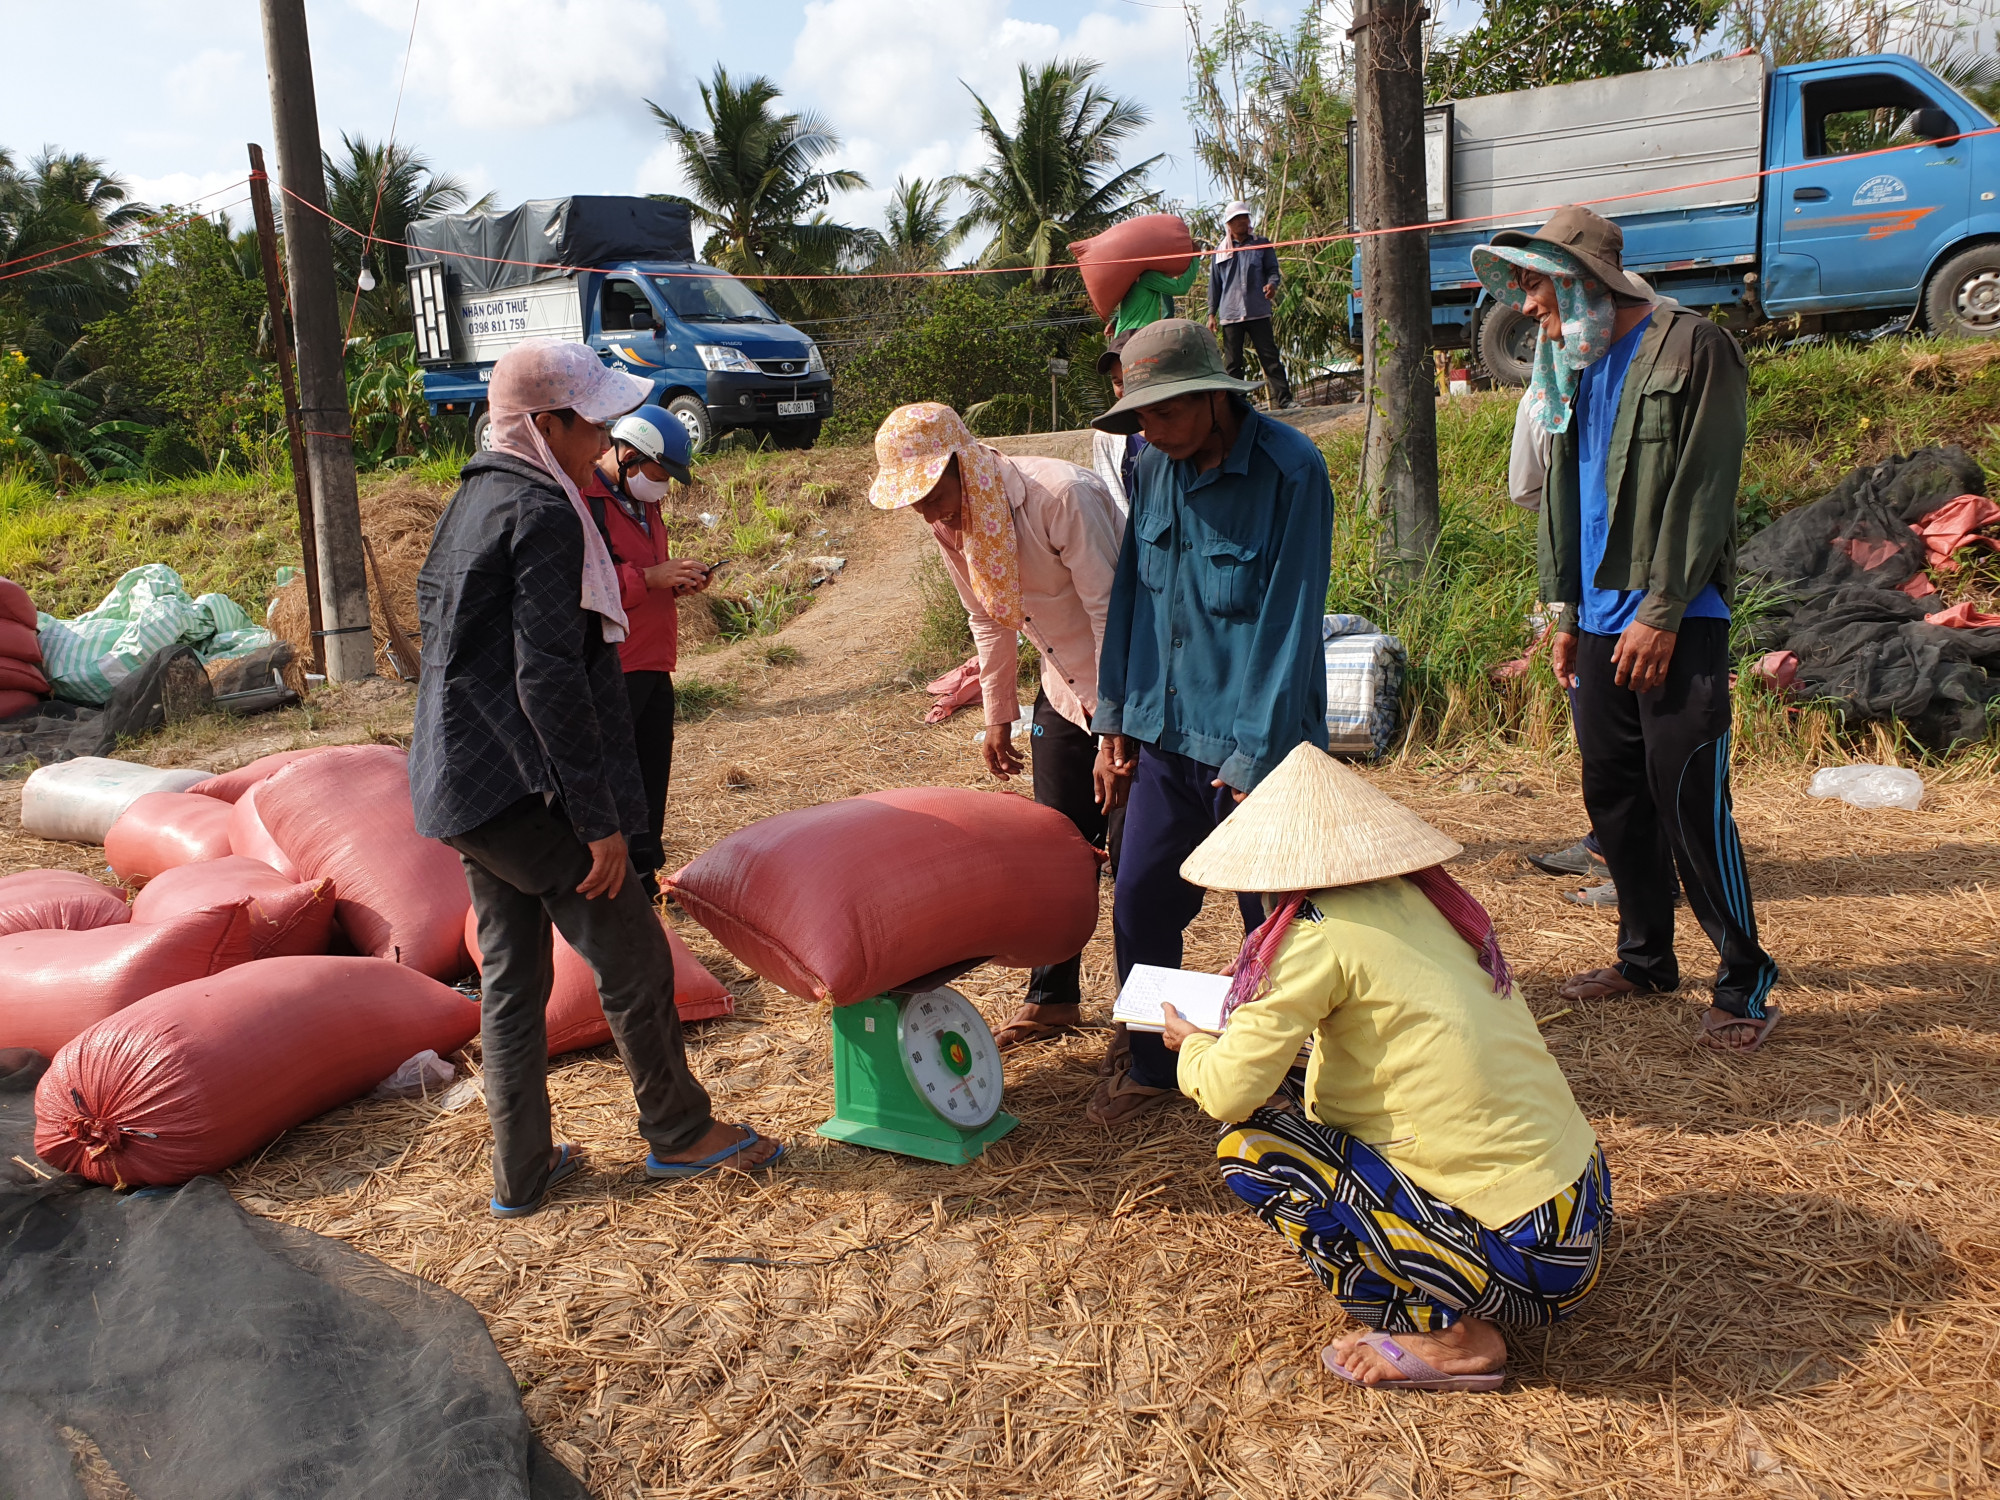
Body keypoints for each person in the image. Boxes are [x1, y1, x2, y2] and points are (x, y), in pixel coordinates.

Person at [411, 340, 781, 1218]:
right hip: (519, 785)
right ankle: (682, 1133)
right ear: (546, 425)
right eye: (592, 420)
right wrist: (595, 818)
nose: (605, 435)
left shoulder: (475, 496)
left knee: (511, 974)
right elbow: (545, 678)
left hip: (459, 782)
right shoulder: (540, 512)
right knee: (632, 950)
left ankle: (524, 1171)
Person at [1160, 743, 1609, 1390]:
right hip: (1575, 1213)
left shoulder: (1314, 932)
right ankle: (1448, 1275)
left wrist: (1193, 1046)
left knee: (1251, 1148)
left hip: (1528, 1255)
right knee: (1287, 1083)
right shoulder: (1422, 899)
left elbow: (1231, 1090)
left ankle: (1450, 1336)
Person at [1473, 206, 1780, 1052]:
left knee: (1688, 798)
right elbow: (1563, 505)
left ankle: (1746, 983)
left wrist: (1661, 610)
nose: (1527, 306)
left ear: (1579, 277)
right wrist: (1563, 615)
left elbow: (1705, 487)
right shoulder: (1569, 361)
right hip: (1600, 620)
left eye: (1534, 285)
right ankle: (1645, 959)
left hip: (1677, 617)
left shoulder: (1693, 347)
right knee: (1613, 794)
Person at [1088, 318, 1335, 1125]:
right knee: (1141, 901)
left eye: (1160, 414)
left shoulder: (1291, 472)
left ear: (1211, 401)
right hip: (1166, 735)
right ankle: (1154, 1064)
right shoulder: (1156, 466)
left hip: (1254, 745)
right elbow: (1132, 592)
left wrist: (1254, 753)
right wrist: (1117, 713)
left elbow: (1289, 623)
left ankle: (1279, 1073)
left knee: (1271, 923)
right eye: (1137, 418)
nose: (1147, 433)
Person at [870, 402, 1126, 1047]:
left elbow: (1114, 617)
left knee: (1130, 854)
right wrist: (997, 714)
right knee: (1057, 850)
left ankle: (1143, 1016)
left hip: (1133, 691)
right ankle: (1053, 998)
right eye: (915, 502)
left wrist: (1113, 728)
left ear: (964, 463)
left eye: (932, 492)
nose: (928, 513)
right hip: (1062, 690)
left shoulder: (1060, 495)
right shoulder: (953, 521)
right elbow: (987, 618)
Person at [580, 404, 708, 902]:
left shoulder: (643, 501)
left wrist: (673, 582)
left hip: (655, 660)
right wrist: (649, 579)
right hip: (615, 662)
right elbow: (582, 582)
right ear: (628, 455)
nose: (665, 485)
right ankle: (617, 881)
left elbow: (645, 573)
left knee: (652, 771)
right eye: (661, 472)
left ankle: (645, 874)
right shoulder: (585, 501)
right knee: (618, 776)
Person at [1207, 200, 1296, 411]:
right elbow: (1215, 284)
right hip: (1231, 313)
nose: (1242, 221)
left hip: (1258, 310)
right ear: (1229, 224)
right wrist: (1212, 313)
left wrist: (1272, 285)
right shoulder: (1220, 251)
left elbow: (1273, 270)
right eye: (1237, 218)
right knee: (1233, 363)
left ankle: (1285, 400)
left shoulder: (1261, 243)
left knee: (1270, 358)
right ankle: (1238, 407)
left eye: (1245, 217)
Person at [1088, 333, 1144, 514]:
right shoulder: (1106, 437)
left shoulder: (1180, 430)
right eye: (1118, 382)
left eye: (1132, 380)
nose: (1126, 390)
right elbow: (1110, 499)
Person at [1108, 254, 1201, 338]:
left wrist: (1115, 320)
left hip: (1122, 337)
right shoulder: (1148, 276)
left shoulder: (1131, 276)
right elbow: (1180, 288)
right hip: (1137, 335)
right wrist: (1195, 258)